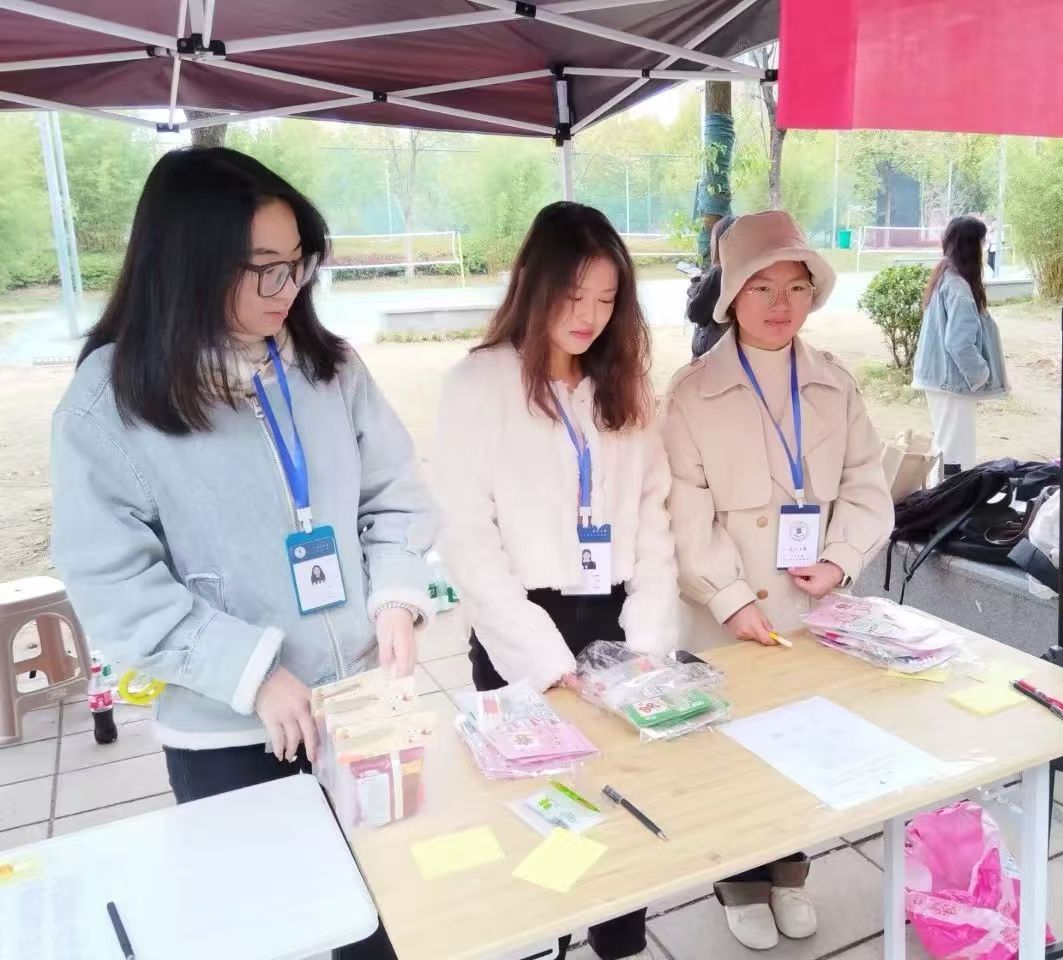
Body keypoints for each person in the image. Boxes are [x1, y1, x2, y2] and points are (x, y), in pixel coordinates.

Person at [49, 147, 435, 960]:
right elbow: (112, 580)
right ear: (188, 262)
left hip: (358, 709)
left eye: (298, 263)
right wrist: (251, 671)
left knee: (379, 925)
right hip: (228, 736)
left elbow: (392, 493)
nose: (287, 288)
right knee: (272, 931)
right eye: (263, 268)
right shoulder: (112, 399)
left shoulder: (329, 366)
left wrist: (396, 598)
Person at [432, 201, 678, 960]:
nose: (589, 317)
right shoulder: (478, 384)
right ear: (534, 286)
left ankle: (619, 944)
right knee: (539, 813)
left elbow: (653, 514)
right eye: (574, 296)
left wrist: (646, 642)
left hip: (616, 622)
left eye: (606, 299)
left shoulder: (623, 385)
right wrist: (541, 659)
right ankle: (545, 938)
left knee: (626, 801)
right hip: (521, 629)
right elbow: (467, 538)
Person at [663, 210, 894, 950]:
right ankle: (738, 881)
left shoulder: (834, 384)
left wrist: (841, 559)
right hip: (721, 616)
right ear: (731, 296)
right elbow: (683, 512)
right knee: (732, 750)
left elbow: (865, 484)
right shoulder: (691, 393)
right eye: (762, 287)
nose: (780, 303)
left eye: (796, 286)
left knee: (803, 745)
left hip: (809, 606)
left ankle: (790, 872)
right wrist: (729, 600)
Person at [912, 215, 1010, 477]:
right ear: (972, 247)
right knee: (955, 455)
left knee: (946, 448)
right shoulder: (959, 288)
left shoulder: (944, 277)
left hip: (940, 380)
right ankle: (949, 498)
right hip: (952, 383)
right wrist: (982, 373)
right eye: (982, 243)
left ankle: (942, 496)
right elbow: (959, 343)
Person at [686, 214, 738, 358]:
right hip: (736, 350)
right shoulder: (748, 270)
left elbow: (695, 313)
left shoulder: (719, 273)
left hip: (713, 351)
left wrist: (695, 286)